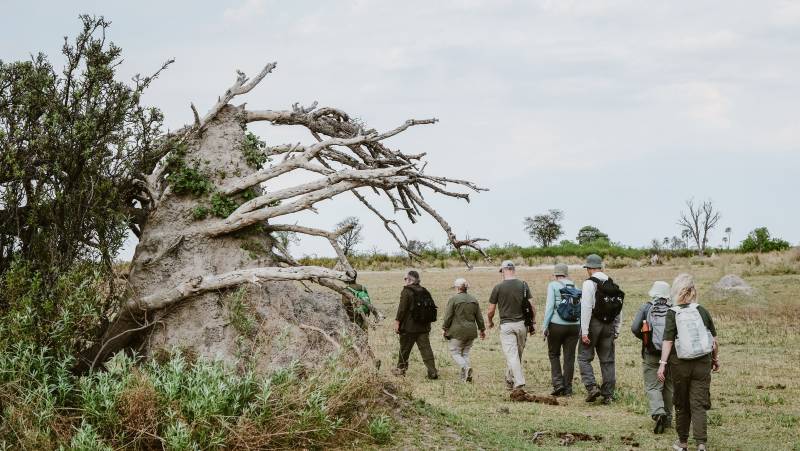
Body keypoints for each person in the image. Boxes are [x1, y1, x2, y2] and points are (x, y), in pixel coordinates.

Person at [657, 274, 720, 451]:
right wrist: (715, 359)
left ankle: (683, 442)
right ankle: (701, 444)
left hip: (680, 364)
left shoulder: (673, 312)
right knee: (698, 404)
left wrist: (662, 364)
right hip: (702, 363)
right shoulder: (702, 310)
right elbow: (714, 340)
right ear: (694, 291)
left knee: (682, 403)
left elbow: (668, 341)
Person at [578, 254, 623, 405]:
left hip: (593, 323)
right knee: (608, 360)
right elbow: (618, 308)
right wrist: (617, 328)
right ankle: (608, 395)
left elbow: (586, 307)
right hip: (609, 324)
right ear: (601, 267)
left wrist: (584, 331)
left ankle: (591, 387)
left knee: (584, 357)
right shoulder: (611, 283)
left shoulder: (589, 283)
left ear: (589, 268)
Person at [631, 281, 674, 434]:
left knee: (653, 386)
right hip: (670, 354)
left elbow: (634, 328)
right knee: (668, 386)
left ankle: (658, 412)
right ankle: (668, 419)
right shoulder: (674, 309)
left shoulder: (646, 307)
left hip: (651, 353)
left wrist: (647, 340)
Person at [487, 260, 535, 391]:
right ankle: (509, 379)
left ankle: (519, 382)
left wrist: (490, 321)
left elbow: (491, 310)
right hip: (522, 325)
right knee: (516, 355)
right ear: (513, 270)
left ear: (503, 271)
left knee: (512, 355)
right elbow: (532, 306)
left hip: (507, 325)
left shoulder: (498, 287)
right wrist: (533, 322)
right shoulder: (523, 285)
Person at [541, 263, 581, 396]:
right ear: (566, 273)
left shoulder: (553, 285)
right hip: (574, 326)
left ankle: (558, 384)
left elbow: (549, 307)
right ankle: (568, 388)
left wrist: (545, 326)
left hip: (557, 325)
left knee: (554, 354)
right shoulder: (575, 286)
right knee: (569, 357)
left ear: (555, 274)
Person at [392, 270, 439, 379]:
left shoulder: (406, 291)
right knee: (426, 349)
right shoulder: (424, 290)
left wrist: (397, 322)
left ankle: (401, 370)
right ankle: (432, 371)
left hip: (409, 328)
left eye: (405, 279)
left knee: (404, 349)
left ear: (410, 280)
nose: (404, 281)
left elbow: (402, 309)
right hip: (424, 326)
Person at [442, 278, 486, 382]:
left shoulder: (453, 299)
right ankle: (464, 378)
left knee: (455, 352)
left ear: (457, 288)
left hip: (458, 331)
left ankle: (465, 368)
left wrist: (444, 328)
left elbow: (448, 316)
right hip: (471, 331)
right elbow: (479, 317)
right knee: (465, 353)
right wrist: (482, 330)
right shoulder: (474, 299)